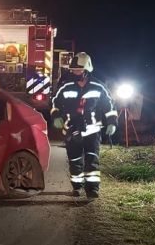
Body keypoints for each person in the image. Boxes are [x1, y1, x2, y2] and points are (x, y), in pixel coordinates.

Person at [50, 52, 117, 198]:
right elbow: (55, 103)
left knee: (92, 159)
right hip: (71, 129)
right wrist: (56, 116)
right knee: (75, 160)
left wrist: (112, 122)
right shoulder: (66, 86)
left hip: (92, 130)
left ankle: (92, 189)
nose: (74, 72)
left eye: (78, 70)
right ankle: (77, 187)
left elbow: (109, 106)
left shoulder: (98, 86)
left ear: (86, 71)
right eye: (73, 70)